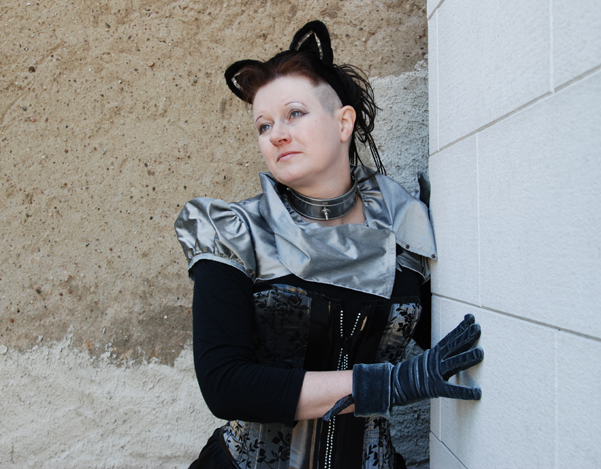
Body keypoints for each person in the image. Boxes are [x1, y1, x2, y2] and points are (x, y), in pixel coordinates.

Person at [175, 21, 484, 469]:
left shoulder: (406, 231)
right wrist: (391, 384)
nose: (276, 134)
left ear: (343, 122)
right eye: (264, 125)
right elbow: (226, 385)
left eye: (295, 114)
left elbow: (450, 338)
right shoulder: (235, 232)